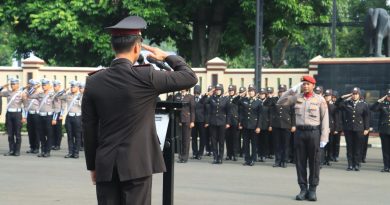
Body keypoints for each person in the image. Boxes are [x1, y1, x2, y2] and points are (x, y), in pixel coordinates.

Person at [82, 16, 197, 205]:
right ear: (137, 47)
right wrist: (167, 56)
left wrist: (93, 166)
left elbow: (89, 128)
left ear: (113, 47)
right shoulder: (146, 77)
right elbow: (189, 77)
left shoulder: (94, 81)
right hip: (137, 164)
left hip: (106, 165)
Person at [278, 76, 329, 201]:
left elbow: (325, 119)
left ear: (313, 85)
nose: (305, 86)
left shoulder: (319, 99)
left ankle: (312, 190)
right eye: (303, 84)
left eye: (307, 84)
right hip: (300, 133)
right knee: (300, 162)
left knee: (314, 162)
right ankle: (303, 189)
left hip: (314, 133)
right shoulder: (297, 97)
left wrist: (324, 137)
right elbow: (280, 102)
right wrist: (290, 90)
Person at [335, 87, 370, 171]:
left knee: (357, 147)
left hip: (359, 129)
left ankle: (357, 164)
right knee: (349, 147)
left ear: (359, 95)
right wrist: (343, 96)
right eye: (353, 94)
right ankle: (350, 164)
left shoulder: (363, 104)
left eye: (356, 94)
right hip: (348, 129)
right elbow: (337, 104)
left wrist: (366, 128)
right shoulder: (347, 103)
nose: (354, 96)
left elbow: (366, 117)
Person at [270, 84, 296, 168]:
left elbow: (293, 114)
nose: (282, 93)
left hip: (286, 125)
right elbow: (270, 112)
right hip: (276, 124)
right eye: (280, 91)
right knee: (277, 144)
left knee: (285, 144)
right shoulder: (274, 100)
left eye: (283, 91)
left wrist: (293, 125)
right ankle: (277, 160)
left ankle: (284, 161)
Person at [205, 84, 230, 164]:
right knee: (213, 141)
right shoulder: (212, 98)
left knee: (221, 141)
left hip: (222, 122)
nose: (218, 91)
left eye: (219, 90)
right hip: (213, 122)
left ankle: (220, 158)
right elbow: (204, 102)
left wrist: (228, 122)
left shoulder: (225, 99)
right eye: (216, 90)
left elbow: (228, 112)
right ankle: (215, 157)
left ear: (221, 90)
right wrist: (207, 95)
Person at [0, 78, 26, 156]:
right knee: (10, 133)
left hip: (17, 114)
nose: (12, 85)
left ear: (18, 85)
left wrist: (24, 116)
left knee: (17, 133)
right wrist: (3, 86)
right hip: (9, 114)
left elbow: (25, 106)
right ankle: (11, 150)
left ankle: (17, 150)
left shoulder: (21, 93)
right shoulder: (8, 92)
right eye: (11, 84)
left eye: (14, 84)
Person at [238, 84, 262, 166]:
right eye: (249, 91)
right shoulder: (245, 100)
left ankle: (253, 159)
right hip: (245, 125)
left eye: (252, 91)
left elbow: (260, 115)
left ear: (255, 92)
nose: (251, 93)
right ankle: (247, 159)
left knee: (254, 144)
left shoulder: (258, 102)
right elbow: (236, 104)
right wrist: (241, 94)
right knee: (246, 143)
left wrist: (258, 126)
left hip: (254, 126)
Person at [61, 81, 82, 159]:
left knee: (77, 136)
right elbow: (57, 96)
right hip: (69, 117)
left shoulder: (81, 95)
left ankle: (76, 153)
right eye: (71, 87)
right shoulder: (68, 95)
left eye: (73, 87)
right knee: (70, 136)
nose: (72, 88)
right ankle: (70, 152)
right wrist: (64, 90)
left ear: (77, 88)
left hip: (77, 117)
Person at [370, 89, 390, 172]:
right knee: (385, 150)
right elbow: (373, 108)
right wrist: (379, 101)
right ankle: (386, 166)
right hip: (384, 131)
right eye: (388, 96)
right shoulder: (382, 104)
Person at [177, 89, 195, 163]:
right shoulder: (178, 96)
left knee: (186, 139)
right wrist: (178, 120)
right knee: (180, 139)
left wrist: (192, 121)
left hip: (187, 120)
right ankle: (181, 155)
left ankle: (185, 157)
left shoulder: (190, 97)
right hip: (180, 120)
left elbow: (193, 110)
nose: (182, 89)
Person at [24, 79, 41, 154]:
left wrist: (34, 88)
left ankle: (36, 147)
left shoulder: (39, 93)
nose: (31, 86)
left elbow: (30, 94)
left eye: (32, 85)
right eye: (30, 85)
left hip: (36, 114)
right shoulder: (27, 92)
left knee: (36, 131)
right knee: (30, 131)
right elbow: (26, 93)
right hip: (29, 114)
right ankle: (32, 147)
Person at [191, 85, 207, 160]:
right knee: (194, 137)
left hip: (202, 121)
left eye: (197, 92)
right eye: (195, 92)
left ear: (200, 92)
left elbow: (207, 111)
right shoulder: (191, 99)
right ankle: (195, 153)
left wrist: (206, 121)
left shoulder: (204, 99)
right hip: (193, 121)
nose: (196, 93)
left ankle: (200, 153)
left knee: (202, 137)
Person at [225, 85, 240, 161]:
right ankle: (229, 154)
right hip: (227, 121)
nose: (231, 91)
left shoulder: (238, 99)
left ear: (234, 91)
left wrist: (240, 122)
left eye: (232, 90)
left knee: (235, 139)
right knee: (228, 139)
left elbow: (240, 111)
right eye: (230, 90)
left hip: (235, 121)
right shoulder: (226, 99)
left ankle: (235, 154)